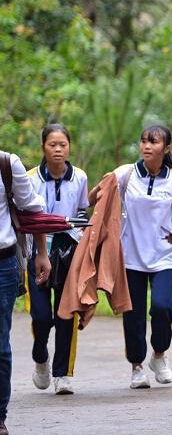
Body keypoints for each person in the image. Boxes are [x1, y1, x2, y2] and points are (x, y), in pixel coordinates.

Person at [88, 125, 172, 389]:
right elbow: (99, 196)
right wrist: (100, 191)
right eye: (143, 141)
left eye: (153, 142)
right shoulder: (126, 174)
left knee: (162, 306)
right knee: (132, 314)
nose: (146, 146)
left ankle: (159, 355)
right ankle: (136, 367)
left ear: (166, 148)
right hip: (131, 255)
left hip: (165, 255)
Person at [26, 124, 89, 395]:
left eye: (63, 144)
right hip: (37, 250)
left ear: (70, 147)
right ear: (43, 147)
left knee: (65, 314)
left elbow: (83, 215)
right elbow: (25, 213)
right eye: (52, 144)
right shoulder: (29, 178)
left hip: (68, 251)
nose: (58, 149)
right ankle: (41, 356)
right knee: (41, 316)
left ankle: (62, 373)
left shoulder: (80, 178)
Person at [0, 149, 50, 435]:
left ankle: (0, 415)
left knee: (0, 343)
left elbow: (32, 209)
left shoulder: (7, 164)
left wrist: (41, 253)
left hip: (3, 262)